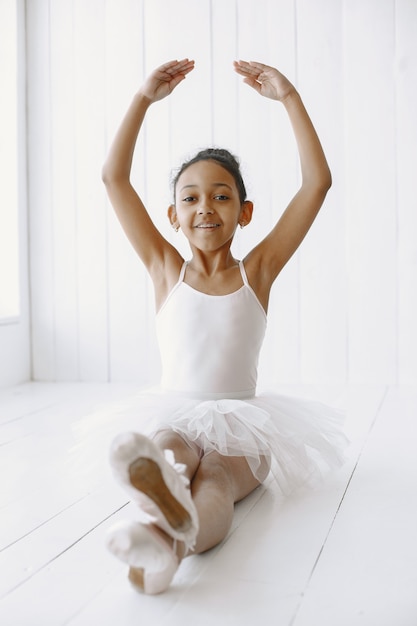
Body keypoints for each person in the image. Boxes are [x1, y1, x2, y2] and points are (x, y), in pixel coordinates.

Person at [102, 59, 348, 595]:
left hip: (245, 424)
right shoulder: (165, 269)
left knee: (214, 480)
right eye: (189, 198)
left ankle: (167, 543)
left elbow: (317, 183)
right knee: (168, 449)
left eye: (221, 196)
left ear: (245, 211)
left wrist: (290, 98)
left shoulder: (256, 272)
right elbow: (114, 178)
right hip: (177, 411)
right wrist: (142, 98)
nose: (205, 207)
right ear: (172, 215)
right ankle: (162, 530)